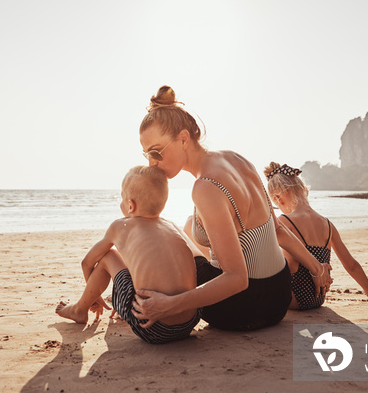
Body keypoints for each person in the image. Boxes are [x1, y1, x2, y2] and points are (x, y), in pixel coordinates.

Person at [132, 86, 333, 331]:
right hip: (279, 297)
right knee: (187, 224)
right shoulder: (238, 159)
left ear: (183, 139)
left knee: (172, 236)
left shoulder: (204, 187)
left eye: (155, 152)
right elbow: (277, 229)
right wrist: (317, 268)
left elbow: (237, 279)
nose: (151, 163)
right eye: (146, 155)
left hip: (242, 309)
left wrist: (169, 305)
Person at [56, 165, 203, 344]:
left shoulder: (120, 226)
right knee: (141, 258)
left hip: (153, 327)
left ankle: (80, 309)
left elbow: (87, 263)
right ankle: (105, 303)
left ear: (130, 205)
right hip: (189, 322)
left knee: (108, 255)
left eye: (122, 198)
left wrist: (95, 297)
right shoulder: (171, 226)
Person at [264, 162, 368, 309]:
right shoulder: (327, 224)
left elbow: (291, 268)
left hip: (294, 300)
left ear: (278, 199)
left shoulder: (285, 222)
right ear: (306, 191)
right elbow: (351, 265)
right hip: (317, 299)